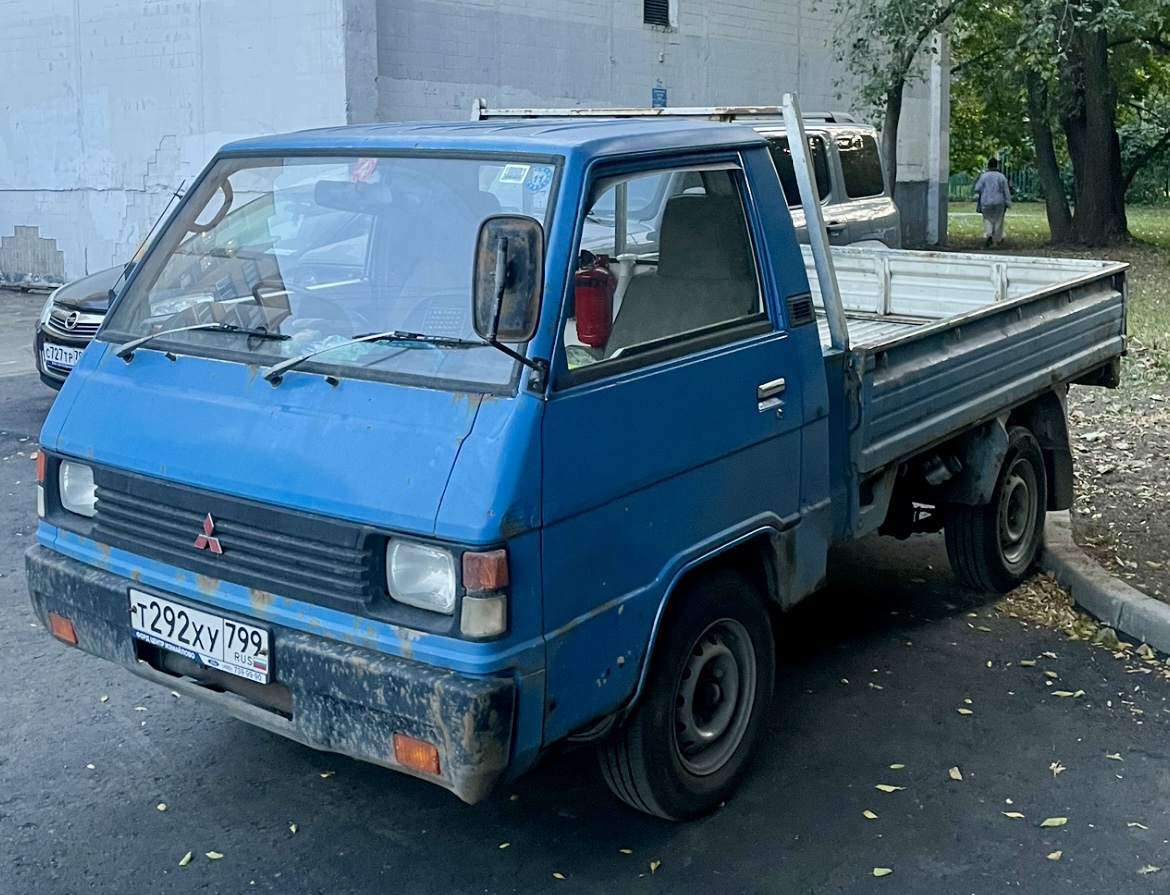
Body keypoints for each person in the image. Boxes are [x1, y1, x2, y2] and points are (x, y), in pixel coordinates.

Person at [972, 157, 1012, 248]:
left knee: (987, 219)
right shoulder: (1001, 176)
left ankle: (989, 234)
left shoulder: (984, 176)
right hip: (999, 201)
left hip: (986, 202)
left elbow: (977, 188)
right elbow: (1006, 190)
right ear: (996, 166)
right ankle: (996, 240)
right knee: (998, 221)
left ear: (988, 166)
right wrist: (1008, 202)